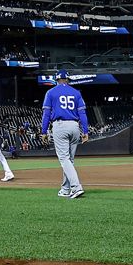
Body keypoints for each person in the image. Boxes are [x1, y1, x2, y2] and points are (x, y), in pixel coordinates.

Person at [42, 70, 88, 199]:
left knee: (64, 159)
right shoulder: (76, 92)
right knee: (69, 160)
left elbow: (46, 114)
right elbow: (83, 114)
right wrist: (85, 131)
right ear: (68, 79)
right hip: (74, 126)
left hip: (60, 125)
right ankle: (65, 188)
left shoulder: (51, 92)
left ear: (56, 80)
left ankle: (76, 187)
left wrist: (44, 131)